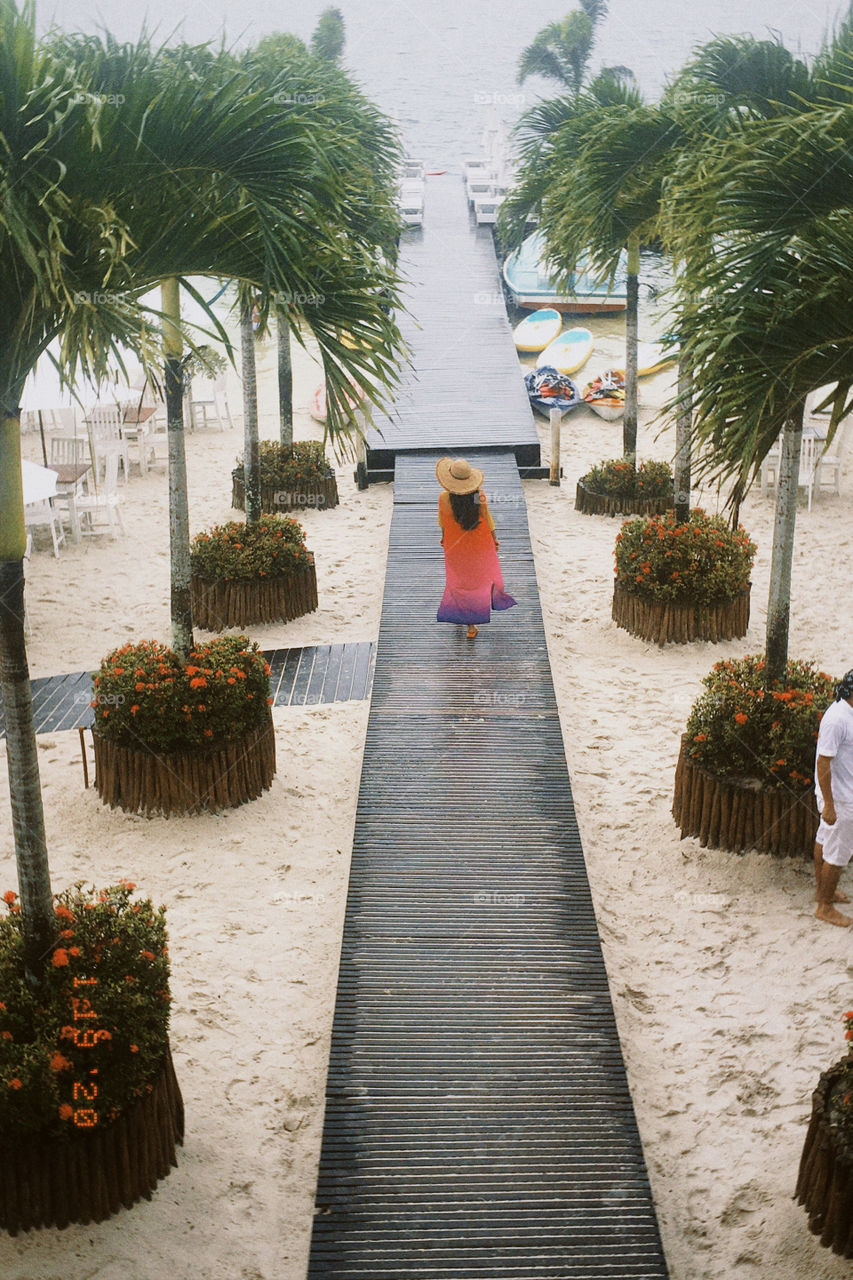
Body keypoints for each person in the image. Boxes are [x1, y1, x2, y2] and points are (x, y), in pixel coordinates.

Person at [435, 456, 516, 640]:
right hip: (478, 544)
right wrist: (494, 540)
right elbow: (487, 519)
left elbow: (442, 522)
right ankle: (471, 626)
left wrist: (443, 539)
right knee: (476, 581)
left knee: (457, 580)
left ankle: (459, 615)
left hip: (455, 544)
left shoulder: (443, 498)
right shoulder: (479, 495)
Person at [814, 669, 853, 927]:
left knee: (824, 840)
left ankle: (822, 892)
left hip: (840, 794)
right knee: (838, 853)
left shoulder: (846, 711)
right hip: (840, 797)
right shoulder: (838, 719)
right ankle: (825, 906)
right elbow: (823, 762)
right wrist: (829, 804)